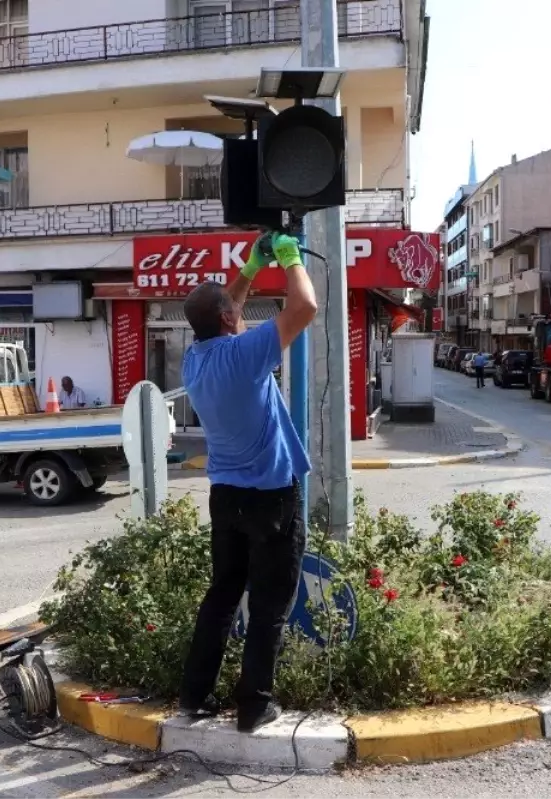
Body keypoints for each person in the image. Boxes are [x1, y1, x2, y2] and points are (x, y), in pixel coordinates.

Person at [177, 231, 317, 733]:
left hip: (226, 498)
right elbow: (304, 306)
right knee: (268, 606)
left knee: (221, 596)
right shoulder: (247, 355)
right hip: (271, 499)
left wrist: (249, 270)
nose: (239, 309)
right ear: (229, 322)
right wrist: (288, 258)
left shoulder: (195, 359)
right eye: (234, 308)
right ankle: (254, 706)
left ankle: (193, 697)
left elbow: (225, 307)